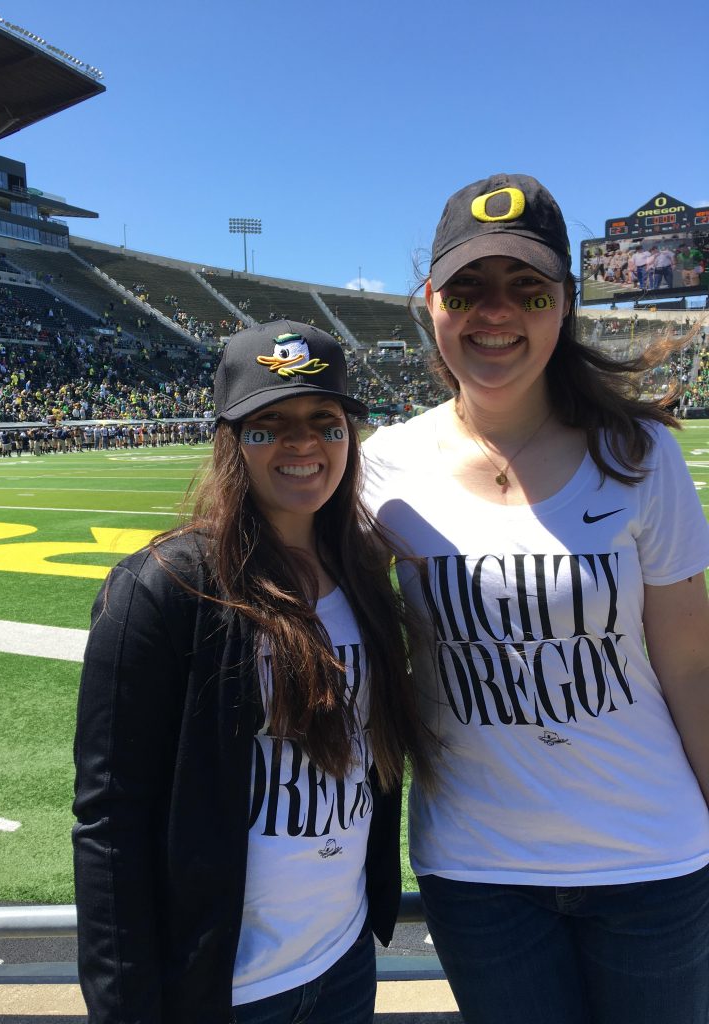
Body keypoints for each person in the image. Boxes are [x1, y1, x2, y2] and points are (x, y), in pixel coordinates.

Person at [363, 173, 709, 1024]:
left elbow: (691, 666)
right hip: (478, 871)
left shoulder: (640, 454)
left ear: (565, 304)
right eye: (467, 289)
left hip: (652, 858)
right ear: (431, 302)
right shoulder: (380, 467)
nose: (496, 313)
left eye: (528, 289)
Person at [73, 320, 431, 1024]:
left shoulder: (364, 575)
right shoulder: (164, 588)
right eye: (271, 425)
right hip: (226, 989)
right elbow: (110, 821)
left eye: (325, 422)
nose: (303, 444)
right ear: (231, 441)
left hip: (343, 961)